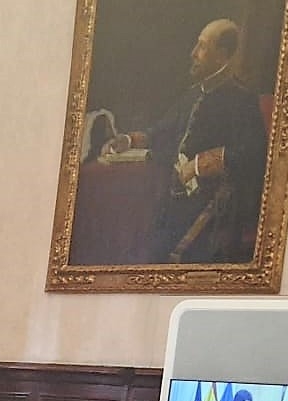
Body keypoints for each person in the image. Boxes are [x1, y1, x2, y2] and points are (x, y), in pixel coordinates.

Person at [106, 19, 268, 264]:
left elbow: (253, 153)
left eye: (202, 47)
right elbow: (162, 131)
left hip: (215, 211)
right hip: (174, 202)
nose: (193, 53)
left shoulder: (241, 99)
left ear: (222, 55)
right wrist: (129, 140)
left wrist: (199, 164)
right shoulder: (193, 94)